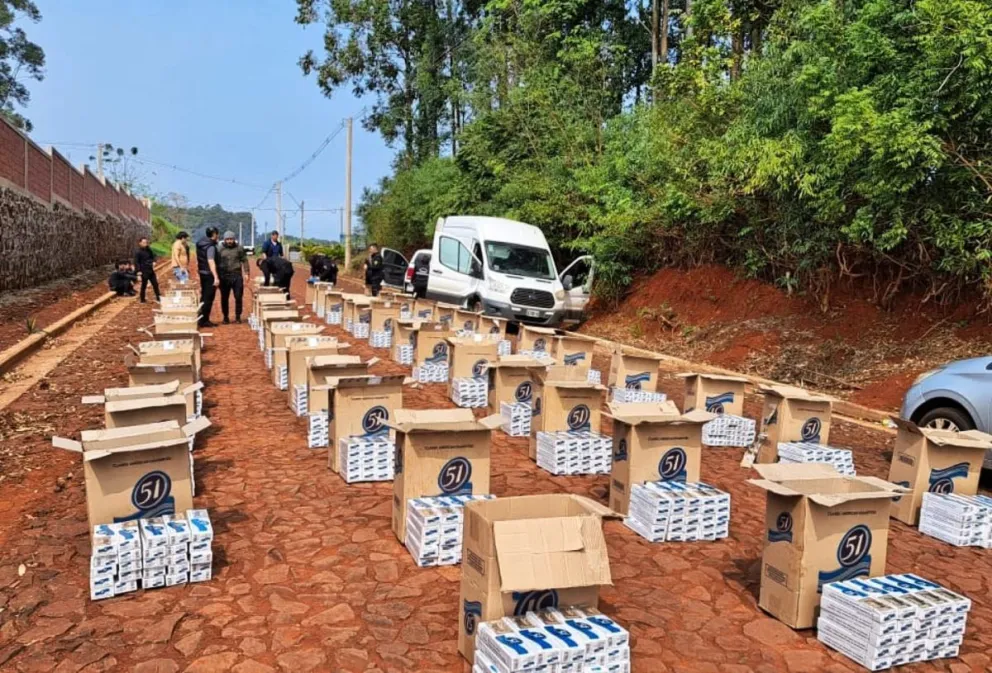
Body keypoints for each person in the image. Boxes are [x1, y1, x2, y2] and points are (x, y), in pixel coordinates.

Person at [217, 230, 249, 324]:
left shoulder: (239, 248)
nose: (230, 241)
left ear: (234, 239)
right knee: (224, 297)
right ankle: (225, 317)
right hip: (224, 276)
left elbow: (244, 260)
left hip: (237, 275)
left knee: (238, 297)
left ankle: (238, 317)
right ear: (224, 240)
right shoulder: (219, 249)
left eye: (231, 239)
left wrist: (247, 273)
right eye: (228, 239)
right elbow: (215, 261)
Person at [196, 227, 221, 327]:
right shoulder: (210, 246)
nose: (218, 236)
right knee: (208, 298)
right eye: (217, 234)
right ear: (214, 234)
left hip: (202, 272)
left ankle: (201, 318)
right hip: (209, 273)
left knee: (204, 296)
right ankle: (204, 320)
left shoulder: (200, 244)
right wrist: (216, 277)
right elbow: (211, 261)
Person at [134, 236, 161, 303]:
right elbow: (136, 262)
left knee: (155, 284)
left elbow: (154, 256)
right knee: (144, 285)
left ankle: (158, 297)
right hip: (143, 271)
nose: (145, 244)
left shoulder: (149, 250)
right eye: (143, 242)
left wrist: (154, 261)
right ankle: (142, 299)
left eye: (146, 242)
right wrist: (138, 272)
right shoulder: (138, 252)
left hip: (150, 270)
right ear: (140, 243)